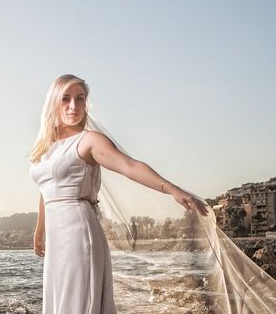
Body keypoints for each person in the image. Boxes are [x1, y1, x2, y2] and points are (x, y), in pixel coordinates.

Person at [29, 74, 208, 314]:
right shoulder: (45, 148)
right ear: (53, 102)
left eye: (80, 99)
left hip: (78, 234)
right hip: (57, 238)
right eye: (65, 99)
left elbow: (129, 166)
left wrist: (172, 189)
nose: (73, 106)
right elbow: (46, 190)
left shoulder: (89, 141)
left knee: (78, 305)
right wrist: (39, 230)